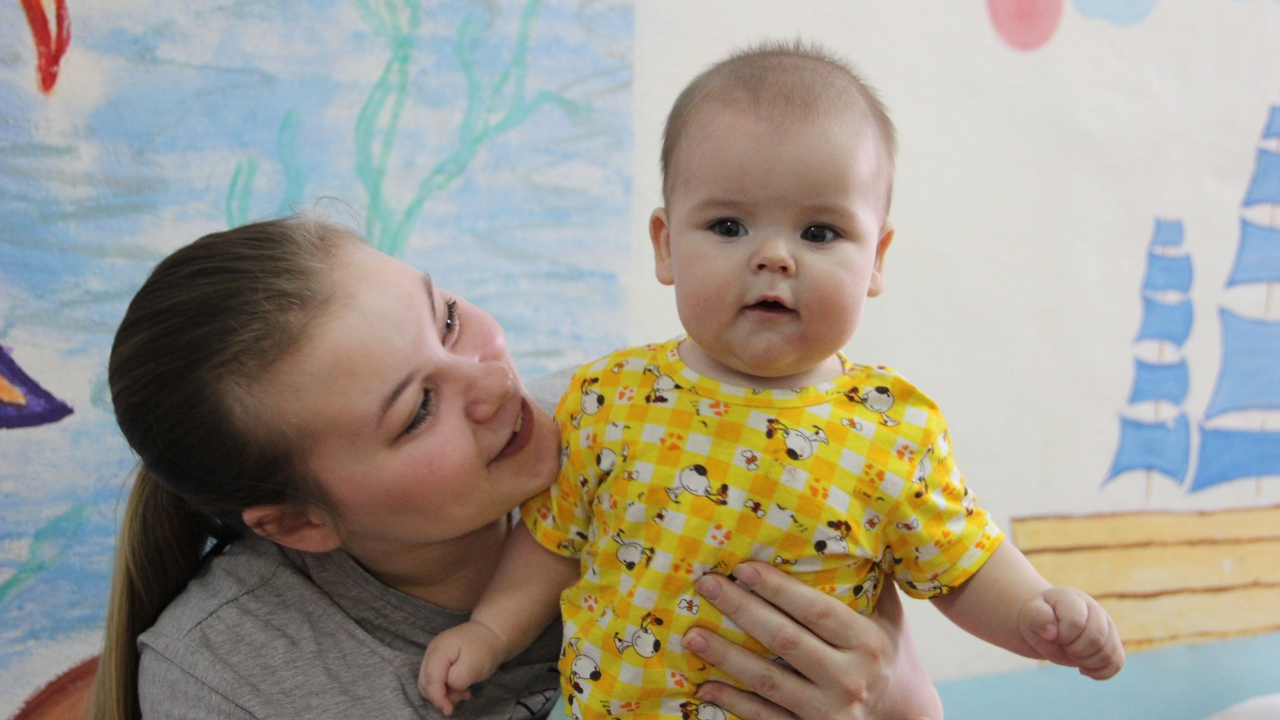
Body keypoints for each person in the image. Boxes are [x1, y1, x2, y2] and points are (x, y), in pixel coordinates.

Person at [420, 40, 1125, 720]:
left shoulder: (892, 426)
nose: (774, 257)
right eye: (729, 226)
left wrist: (1034, 613)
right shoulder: (609, 397)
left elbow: (963, 563)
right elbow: (552, 542)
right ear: (666, 246)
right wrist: (489, 633)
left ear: (876, 259)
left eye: (819, 233)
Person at [90, 212, 941, 720]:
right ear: (301, 522)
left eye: (447, 318)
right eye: (417, 411)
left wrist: (894, 700)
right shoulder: (226, 678)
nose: (496, 382)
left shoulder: (643, 437)